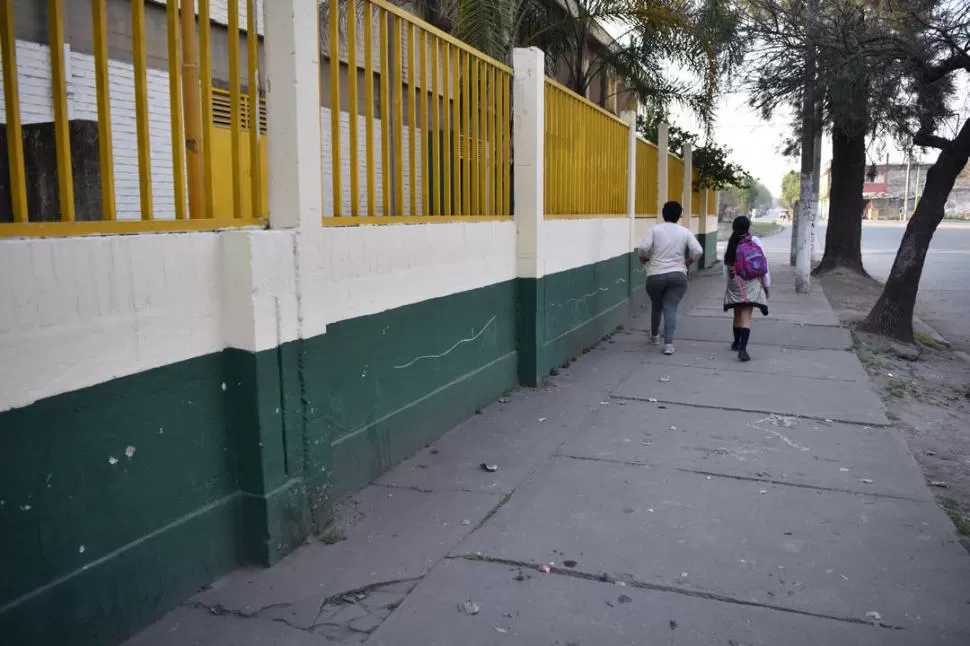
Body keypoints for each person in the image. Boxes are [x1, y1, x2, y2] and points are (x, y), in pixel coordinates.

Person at [637, 201, 703, 355]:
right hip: (678, 275)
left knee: (657, 305)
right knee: (670, 308)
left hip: (655, 275)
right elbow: (698, 251)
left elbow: (642, 249)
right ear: (679, 215)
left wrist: (643, 259)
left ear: (663, 213)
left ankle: (654, 336)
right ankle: (668, 345)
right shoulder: (685, 232)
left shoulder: (654, 230)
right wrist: (688, 262)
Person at [723, 216, 770, 362]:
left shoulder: (729, 243)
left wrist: (729, 284)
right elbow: (763, 265)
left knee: (737, 312)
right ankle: (743, 349)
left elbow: (725, 267)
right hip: (750, 281)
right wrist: (766, 286)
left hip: (734, 281)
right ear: (748, 226)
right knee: (746, 315)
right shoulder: (754, 241)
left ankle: (736, 343)